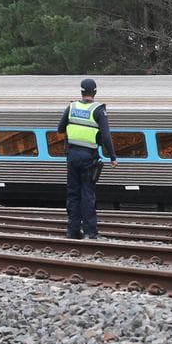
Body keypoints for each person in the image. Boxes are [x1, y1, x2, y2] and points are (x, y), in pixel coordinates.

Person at [57, 78, 117, 239]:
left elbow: (60, 128)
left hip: (72, 156)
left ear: (82, 92)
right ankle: (91, 232)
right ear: (95, 92)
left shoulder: (71, 107)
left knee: (73, 194)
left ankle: (73, 230)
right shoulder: (98, 110)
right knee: (87, 194)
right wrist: (112, 157)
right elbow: (106, 136)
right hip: (89, 157)